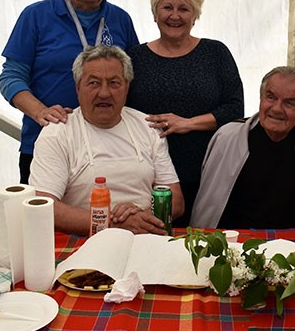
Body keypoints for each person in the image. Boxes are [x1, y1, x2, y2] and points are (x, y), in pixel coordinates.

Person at [0, 0, 138, 183]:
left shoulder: (121, 19)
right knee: (45, 208)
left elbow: (131, 79)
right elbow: (11, 78)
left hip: (111, 148)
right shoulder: (35, 16)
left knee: (108, 207)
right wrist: (40, 112)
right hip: (47, 144)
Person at [126, 0, 243, 225]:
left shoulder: (215, 53)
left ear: (195, 15)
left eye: (184, 9)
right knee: (154, 236)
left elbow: (235, 109)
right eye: (167, 7)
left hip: (207, 170)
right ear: (155, 13)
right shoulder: (135, 58)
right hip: (149, 174)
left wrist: (188, 123)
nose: (175, 16)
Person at [29, 45, 183, 235]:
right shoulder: (57, 134)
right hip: (83, 240)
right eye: (94, 83)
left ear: (127, 87)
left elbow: (176, 200)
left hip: (145, 234)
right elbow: (44, 205)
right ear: (78, 87)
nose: (104, 93)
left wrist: (141, 218)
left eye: (114, 83)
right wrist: (111, 223)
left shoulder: (147, 127)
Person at [191, 66, 295, 229]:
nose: (277, 108)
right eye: (271, 97)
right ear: (261, 99)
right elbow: (209, 209)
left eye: (289, 102)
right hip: (238, 237)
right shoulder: (227, 138)